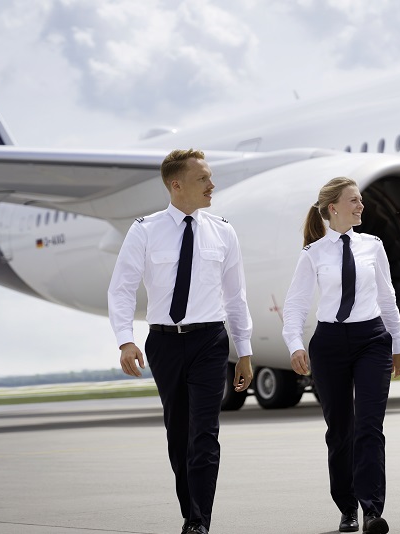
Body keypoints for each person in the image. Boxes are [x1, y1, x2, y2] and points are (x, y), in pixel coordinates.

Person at [108, 148, 254, 534]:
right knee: (179, 434)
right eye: (203, 178)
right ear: (176, 185)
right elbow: (121, 289)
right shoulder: (144, 230)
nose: (212, 185)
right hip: (164, 343)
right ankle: (191, 510)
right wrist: (126, 340)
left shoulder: (223, 230)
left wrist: (245, 351)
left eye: (210, 177)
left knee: (205, 433)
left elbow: (236, 297)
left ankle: (198, 521)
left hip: (210, 341)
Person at [282, 177, 400, 534]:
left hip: (372, 340)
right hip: (330, 345)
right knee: (340, 431)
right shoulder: (313, 253)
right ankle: (346, 507)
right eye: (354, 200)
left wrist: (397, 341)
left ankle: (372, 511)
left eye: (361, 200)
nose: (361, 206)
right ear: (333, 207)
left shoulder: (374, 246)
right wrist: (295, 343)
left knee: (369, 427)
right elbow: (295, 305)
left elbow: (387, 297)